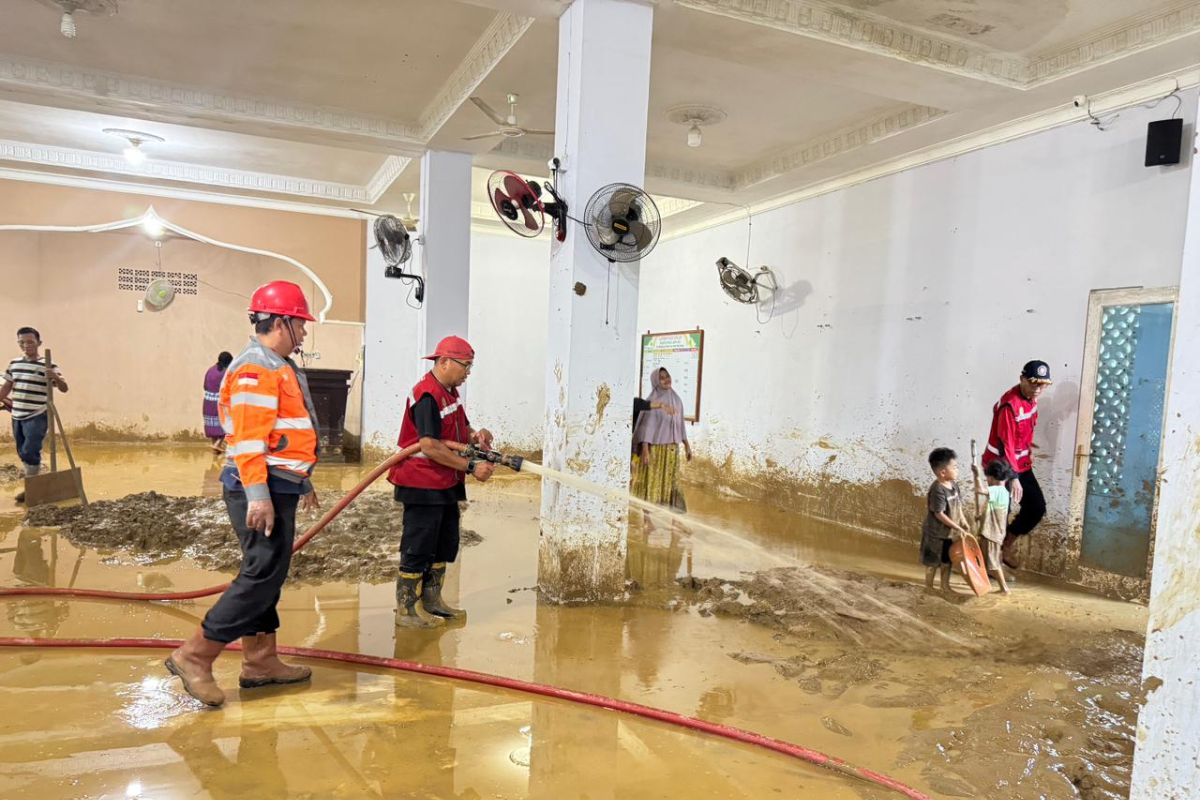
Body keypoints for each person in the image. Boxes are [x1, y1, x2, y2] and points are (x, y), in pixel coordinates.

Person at [165, 281, 320, 707]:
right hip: (261, 485)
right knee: (260, 574)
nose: (304, 332)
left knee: (266, 573)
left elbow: (282, 434)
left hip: (277, 482)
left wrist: (302, 481)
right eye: (301, 324)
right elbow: (249, 440)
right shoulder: (257, 368)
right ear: (281, 322)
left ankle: (260, 661)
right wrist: (259, 495)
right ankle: (195, 655)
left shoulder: (275, 364)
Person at [387, 335, 495, 628]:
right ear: (444, 361)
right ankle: (408, 610)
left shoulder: (449, 392)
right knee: (419, 544)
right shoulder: (427, 395)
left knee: (443, 542)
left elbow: (459, 428)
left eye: (470, 366)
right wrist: (471, 467)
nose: (468, 372)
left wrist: (476, 436)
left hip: (444, 481)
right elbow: (431, 446)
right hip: (422, 483)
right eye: (465, 365)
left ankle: (432, 601)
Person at [982, 360, 1052, 567]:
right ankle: (990, 563)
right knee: (999, 514)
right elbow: (1006, 445)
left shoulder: (1031, 399)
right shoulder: (1009, 406)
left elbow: (1022, 430)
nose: (1037, 388)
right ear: (1022, 379)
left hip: (1020, 464)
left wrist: (1027, 445)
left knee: (1036, 507)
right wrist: (1013, 478)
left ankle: (1006, 544)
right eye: (1033, 383)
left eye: (1042, 385)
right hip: (999, 468)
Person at [0, 327, 68, 504]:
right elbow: (7, 387)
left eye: (30, 342)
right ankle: (34, 481)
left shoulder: (48, 365)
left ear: (39, 343)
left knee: (30, 450)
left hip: (37, 414)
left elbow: (64, 388)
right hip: (17, 414)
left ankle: (31, 488)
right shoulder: (14, 364)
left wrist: (55, 377)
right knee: (22, 451)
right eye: (22, 342)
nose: (26, 345)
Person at [631, 368, 692, 511]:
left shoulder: (677, 400)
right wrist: (645, 450)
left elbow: (680, 425)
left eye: (667, 376)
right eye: (662, 378)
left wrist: (687, 445)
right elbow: (647, 427)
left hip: (672, 450)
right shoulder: (653, 400)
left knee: (672, 483)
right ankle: (647, 517)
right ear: (656, 382)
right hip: (655, 450)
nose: (666, 380)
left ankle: (675, 517)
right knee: (652, 481)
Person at [921, 447, 969, 593]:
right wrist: (957, 528)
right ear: (943, 472)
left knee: (947, 561)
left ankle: (945, 586)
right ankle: (929, 587)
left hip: (948, 534)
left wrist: (963, 521)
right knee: (932, 563)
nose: (957, 469)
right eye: (954, 467)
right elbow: (939, 514)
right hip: (935, 534)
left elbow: (958, 505)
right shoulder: (937, 490)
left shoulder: (954, 485)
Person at [972, 459, 1012, 594]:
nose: (987, 480)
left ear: (991, 477)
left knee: (993, 564)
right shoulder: (1003, 492)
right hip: (992, 533)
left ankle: (1004, 588)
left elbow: (979, 490)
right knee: (984, 560)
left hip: (992, 534)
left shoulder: (998, 490)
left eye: (987, 477)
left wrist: (976, 475)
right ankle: (983, 583)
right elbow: (993, 511)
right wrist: (980, 516)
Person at [203, 351, 234, 453]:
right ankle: (217, 444)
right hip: (218, 403)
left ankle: (215, 448)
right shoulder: (226, 373)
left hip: (208, 402)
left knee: (213, 428)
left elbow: (205, 386)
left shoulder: (210, 370)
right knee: (226, 424)